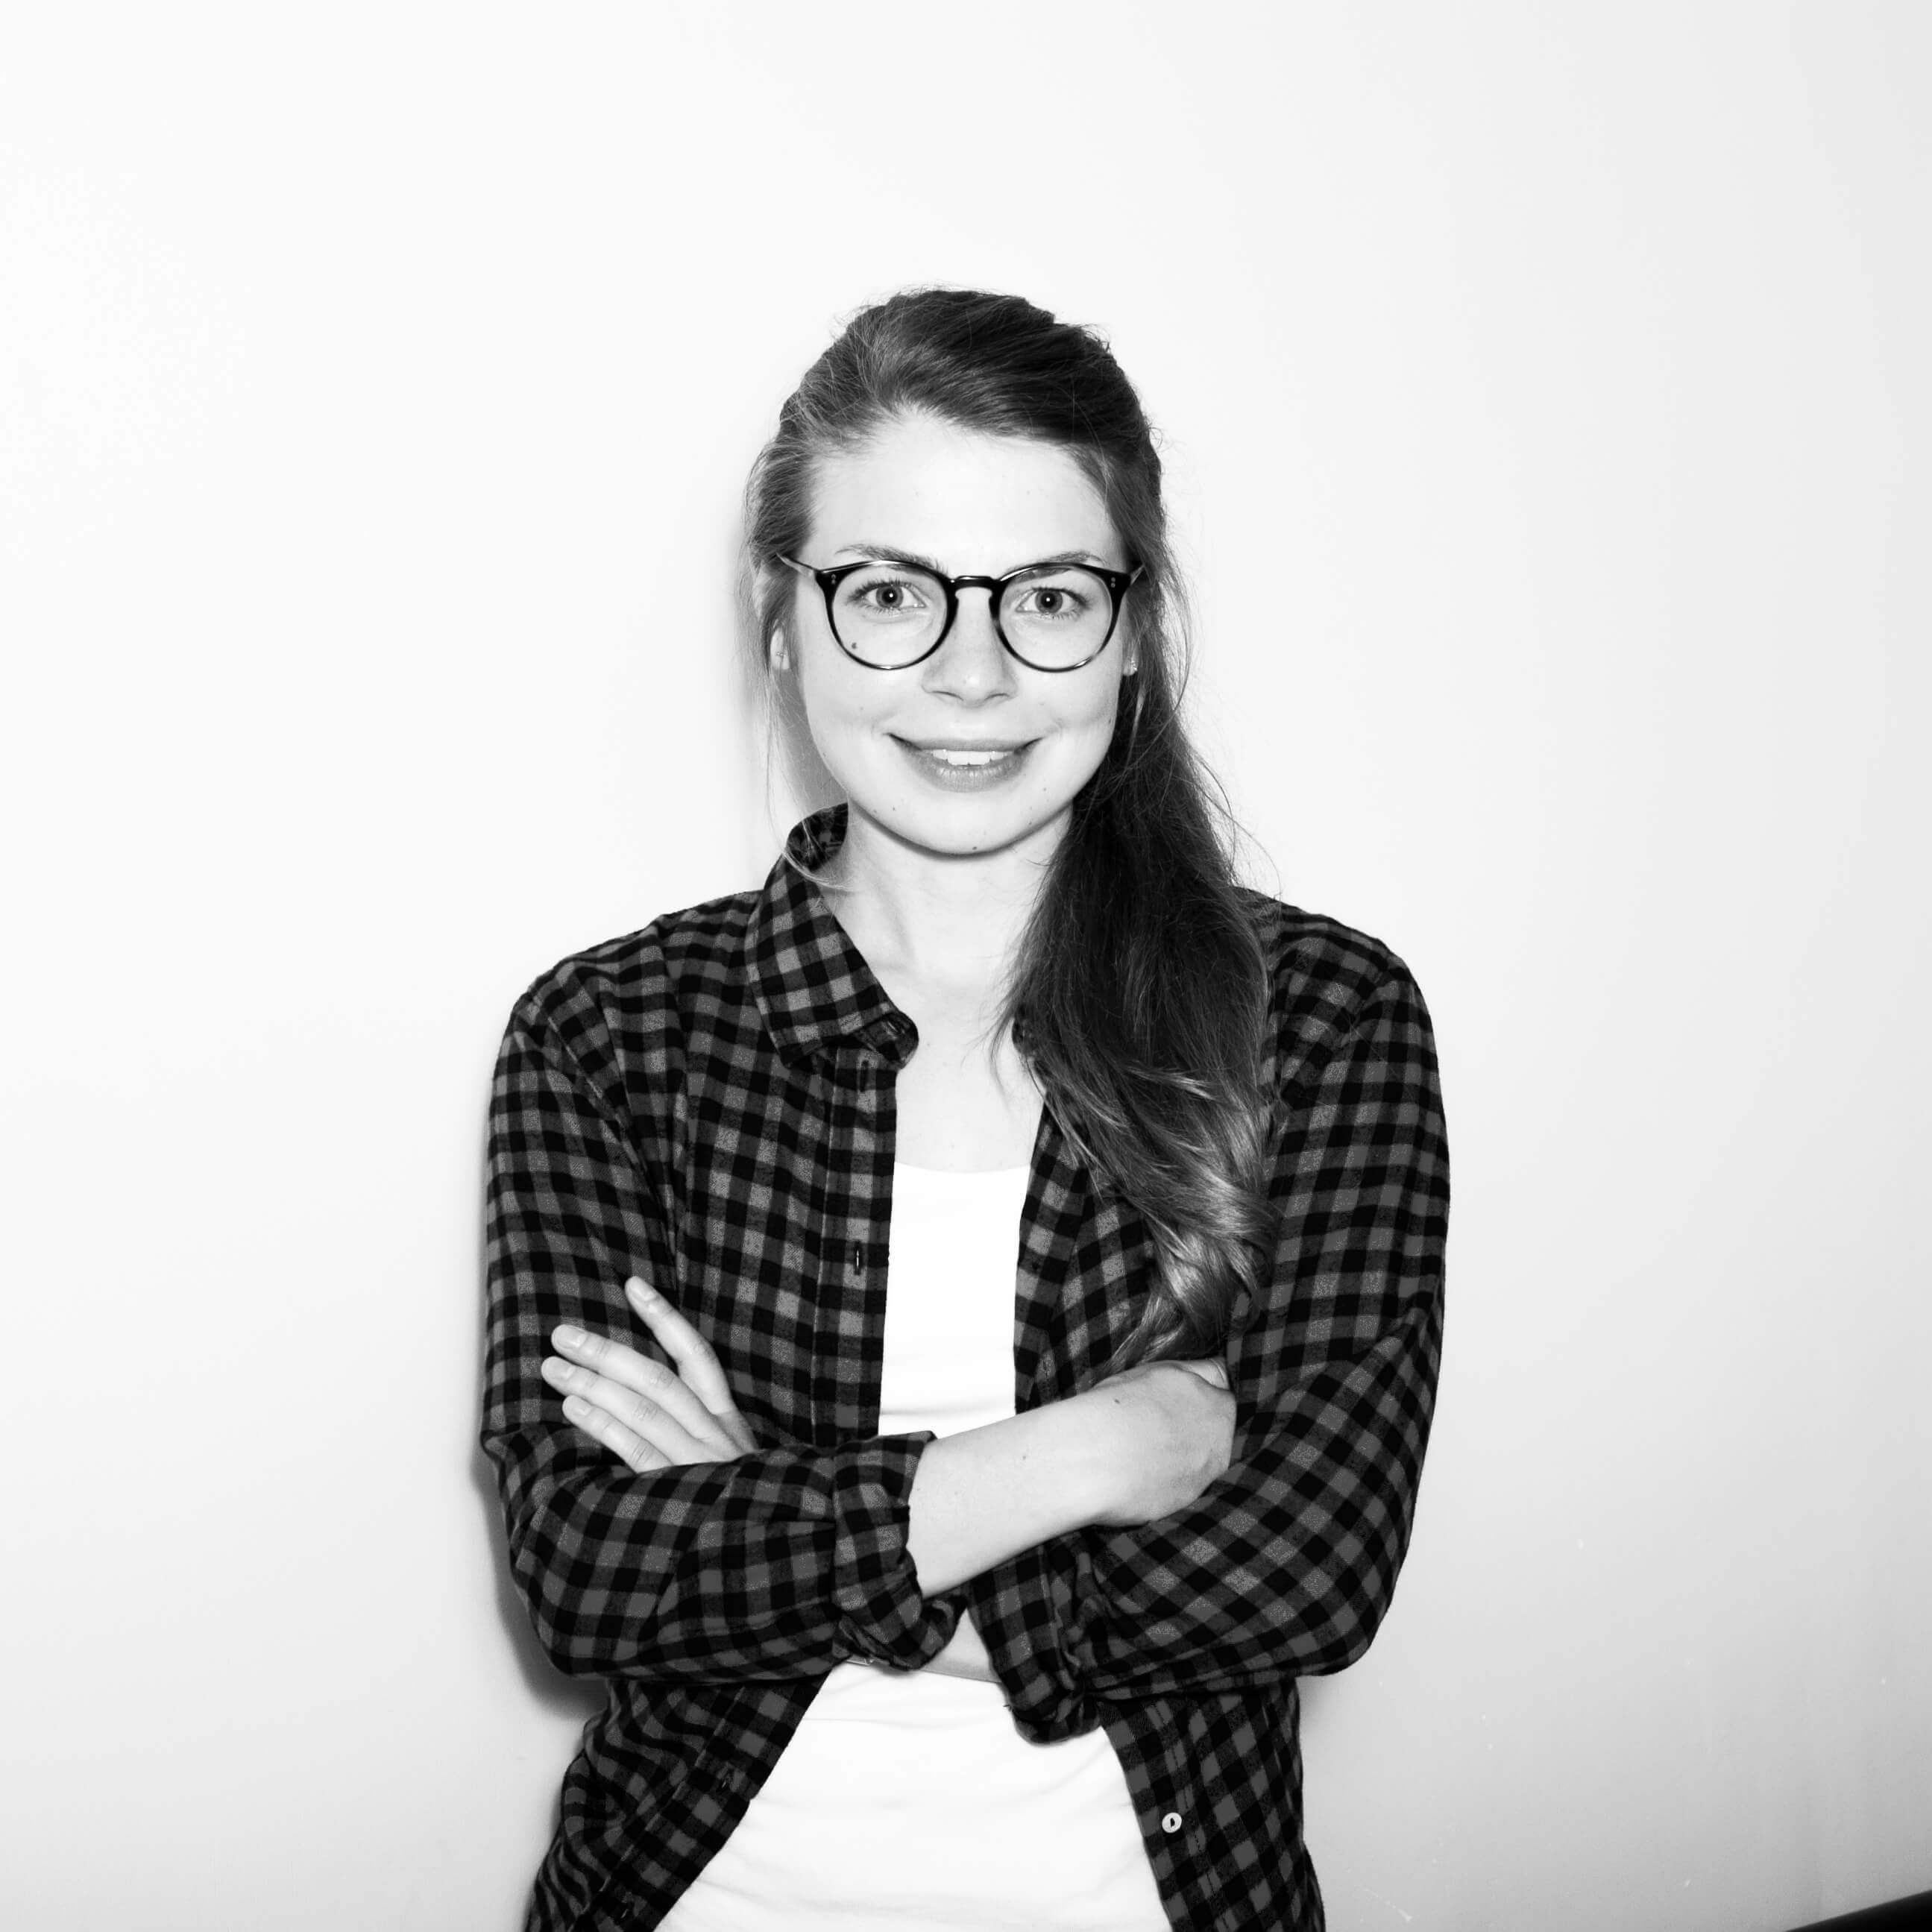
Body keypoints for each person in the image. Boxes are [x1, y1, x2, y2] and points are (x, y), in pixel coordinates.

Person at [482, 287, 1449, 1932]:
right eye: (888, 594)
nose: (974, 672)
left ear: (1134, 629)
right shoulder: (609, 1037)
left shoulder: (1323, 1020)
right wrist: (1095, 1450)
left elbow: (1308, 1573)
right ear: (782, 622)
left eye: (1050, 597)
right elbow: (591, 1575)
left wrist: (769, 1511)